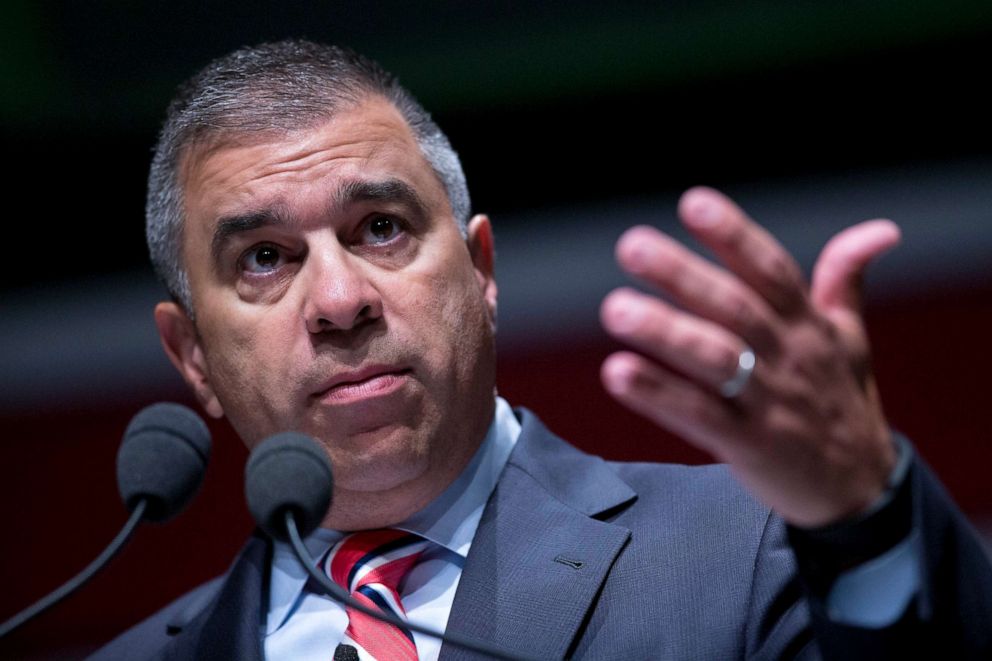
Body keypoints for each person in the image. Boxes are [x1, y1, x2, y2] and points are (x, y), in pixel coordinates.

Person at [93, 39, 991, 660]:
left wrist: (863, 514)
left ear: (480, 271)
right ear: (195, 358)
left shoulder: (753, 553)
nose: (339, 300)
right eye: (263, 258)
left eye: (379, 227)